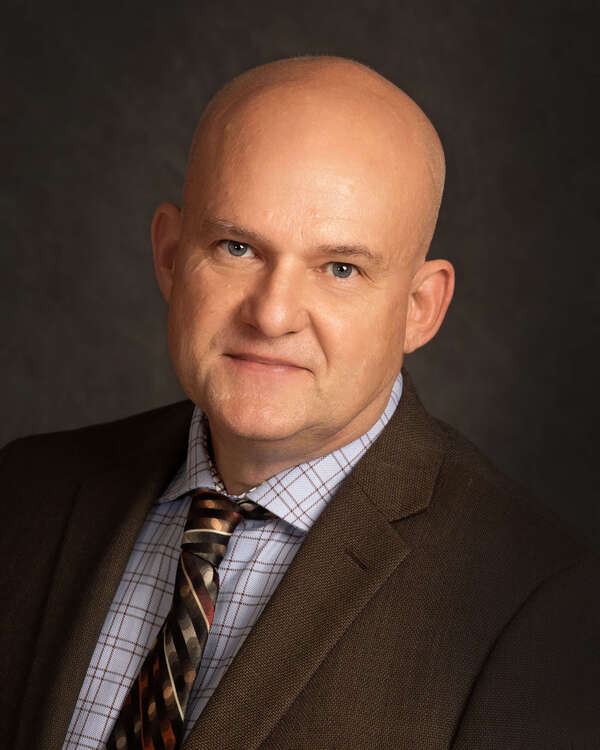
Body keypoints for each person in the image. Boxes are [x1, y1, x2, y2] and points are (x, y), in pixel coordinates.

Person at [1, 56, 598, 750]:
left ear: (419, 307)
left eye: (340, 268)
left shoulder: (537, 603)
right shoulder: (26, 491)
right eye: (237, 247)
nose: (273, 313)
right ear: (169, 255)